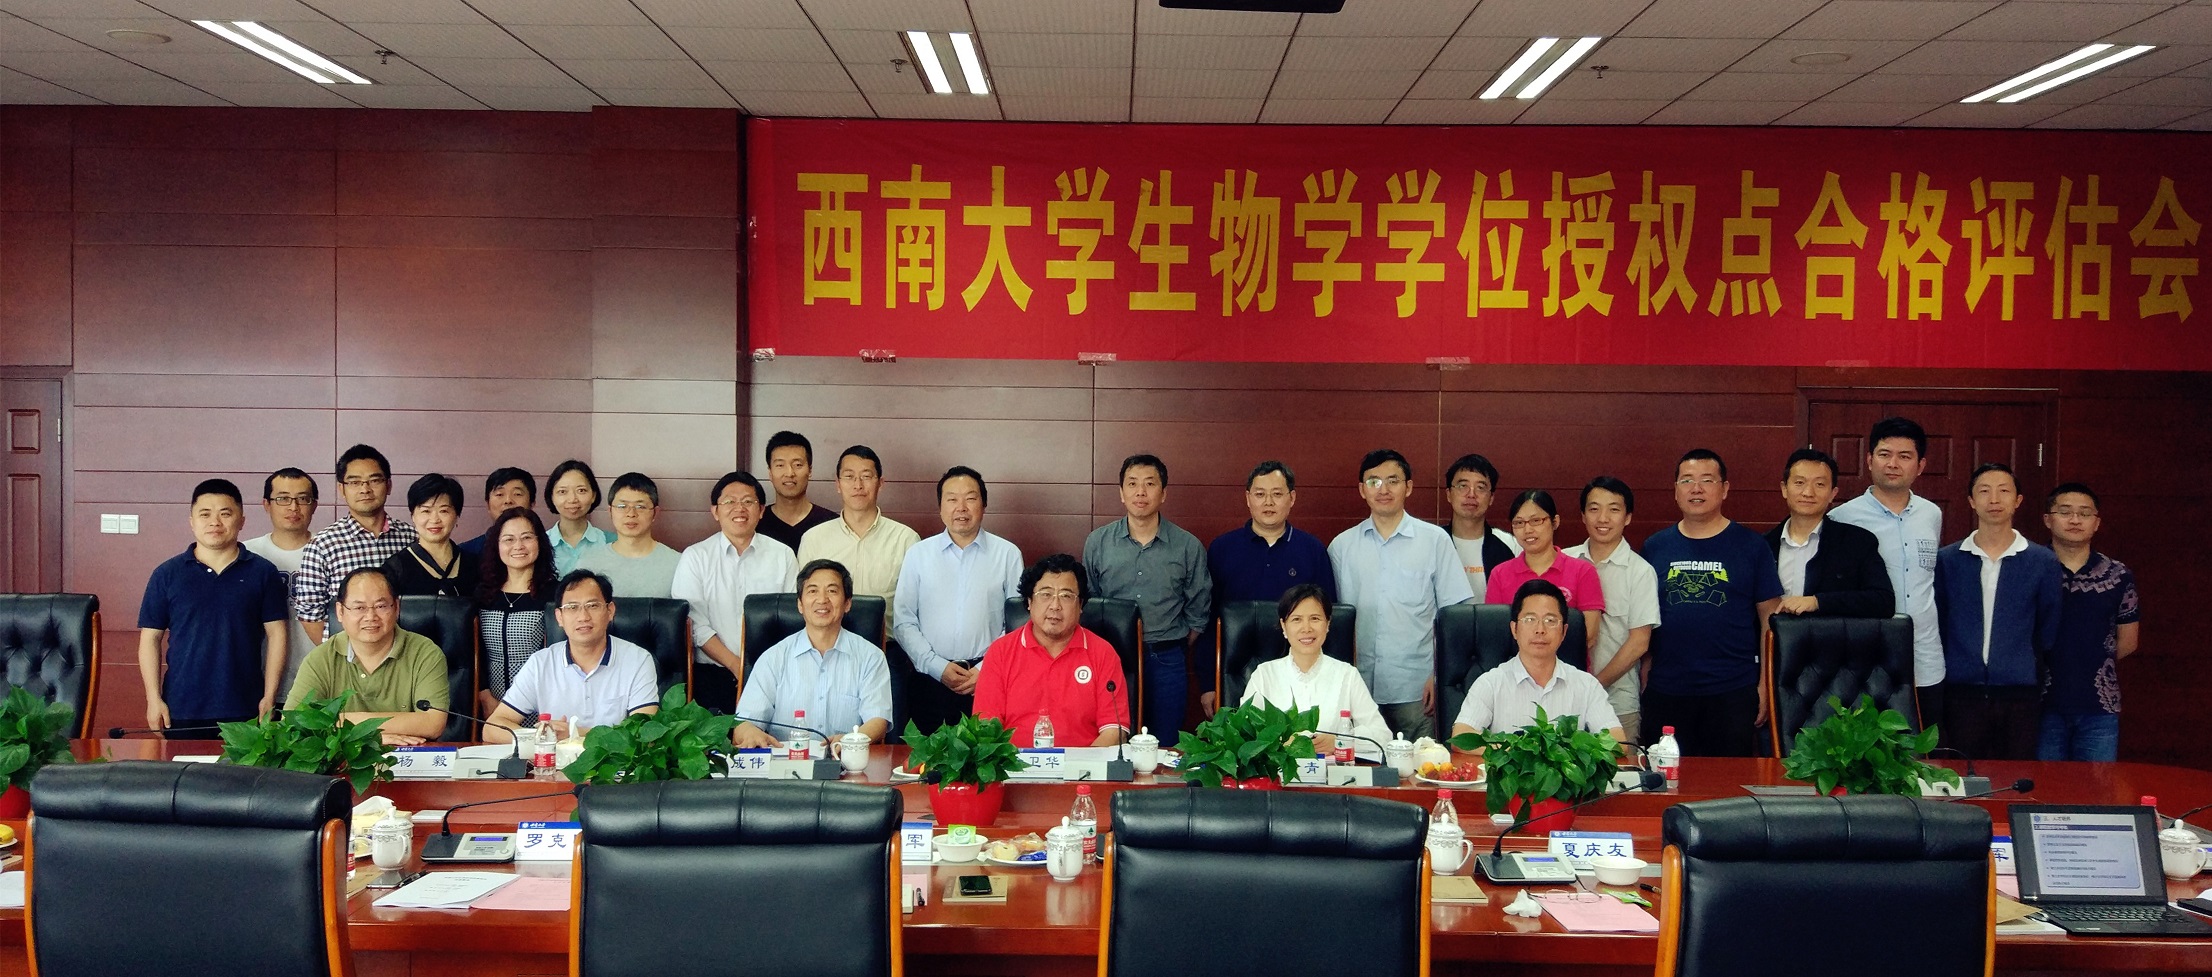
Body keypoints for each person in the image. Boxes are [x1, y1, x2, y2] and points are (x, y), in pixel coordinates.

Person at [1639, 449, 1783, 757]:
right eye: (1687, 480)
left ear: (1725, 488)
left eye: (1707, 480)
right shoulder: (1655, 547)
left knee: (1728, 782)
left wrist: (1765, 686)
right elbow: (1645, 619)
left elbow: (1770, 621)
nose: (1696, 489)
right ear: (1675, 490)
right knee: (1665, 779)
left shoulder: (1752, 546)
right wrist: (1645, 673)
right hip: (1667, 689)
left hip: (1732, 690)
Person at [1329, 449, 1475, 741]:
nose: (1383, 489)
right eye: (1374, 482)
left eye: (1392, 481)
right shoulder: (1341, 547)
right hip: (1356, 688)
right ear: (1362, 490)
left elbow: (1454, 617)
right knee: (1360, 765)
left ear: (1408, 487)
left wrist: (1439, 675)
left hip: (1416, 688)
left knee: (1420, 763)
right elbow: (1331, 623)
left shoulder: (1435, 541)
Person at [137, 479, 290, 738]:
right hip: (182, 706)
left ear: (241, 520)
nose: (215, 522)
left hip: (246, 706)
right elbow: (150, 638)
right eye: (205, 514)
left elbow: (277, 635)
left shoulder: (263, 572)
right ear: (192, 521)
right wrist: (153, 698)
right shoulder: (167, 574)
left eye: (225, 514)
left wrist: (269, 696)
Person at [1935, 463, 2062, 761]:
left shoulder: (2042, 561)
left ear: (2018, 500)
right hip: (1961, 688)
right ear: (1971, 501)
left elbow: (2048, 625)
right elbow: (1940, 619)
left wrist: (2024, 662)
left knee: (2017, 773)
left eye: (2004, 491)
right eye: (1984, 491)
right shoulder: (1948, 559)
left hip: (2019, 689)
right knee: (1964, 773)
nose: (1994, 499)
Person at [1829, 417, 1947, 728]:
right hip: (1866, 657)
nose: (1893, 464)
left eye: (1904, 456)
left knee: (1924, 746)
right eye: (1884, 454)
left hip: (1925, 656)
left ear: (1920, 466)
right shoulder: (1842, 518)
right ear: (1869, 460)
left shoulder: (1932, 514)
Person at [1084, 453, 1212, 736]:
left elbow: (1198, 609)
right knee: (1115, 737)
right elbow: (1091, 601)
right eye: (1132, 483)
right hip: (1112, 656)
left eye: (1150, 484)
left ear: (1163, 493)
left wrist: (1173, 643)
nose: (1140, 492)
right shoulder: (1098, 542)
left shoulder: (1187, 546)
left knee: (1165, 740)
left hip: (1166, 657)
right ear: (1121, 493)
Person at [892, 466, 1023, 733]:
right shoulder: (918, 554)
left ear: (984, 505)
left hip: (988, 680)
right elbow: (904, 621)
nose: (961, 508)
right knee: (928, 757)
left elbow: (1016, 625)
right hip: (929, 680)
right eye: (952, 499)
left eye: (970, 498)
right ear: (940, 507)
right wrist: (937, 667)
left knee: (987, 755)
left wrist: (986, 670)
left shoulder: (1007, 555)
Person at [1202, 460, 1337, 717]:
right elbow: (1209, 622)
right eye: (1260, 494)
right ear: (1248, 498)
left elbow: (1328, 622)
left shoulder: (1312, 550)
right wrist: (1209, 684)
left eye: (1277, 494)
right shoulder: (1222, 549)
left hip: (1300, 677)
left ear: (1292, 498)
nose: (1268, 502)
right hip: (1235, 678)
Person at [972, 553, 1132, 747]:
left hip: (1083, 764)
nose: (1055, 606)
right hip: (1015, 763)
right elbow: (986, 728)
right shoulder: (1000, 652)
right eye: (1046, 594)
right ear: (1029, 602)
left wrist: (1084, 764)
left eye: (1066, 596)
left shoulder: (1102, 653)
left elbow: (1114, 730)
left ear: (1080, 605)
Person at [671, 472, 798, 712]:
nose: (739, 508)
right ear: (715, 511)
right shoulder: (695, 557)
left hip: (773, 674)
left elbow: (792, 620)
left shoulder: (783, 555)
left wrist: (761, 670)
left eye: (748, 501)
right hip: (712, 676)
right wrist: (736, 665)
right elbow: (694, 625)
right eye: (729, 501)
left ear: (761, 510)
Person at [732, 560, 893, 749]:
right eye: (813, 591)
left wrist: (850, 741)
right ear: (800, 604)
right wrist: (749, 733)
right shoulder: (773, 658)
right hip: (786, 762)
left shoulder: (870, 657)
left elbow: (878, 720)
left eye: (832, 591)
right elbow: (742, 724)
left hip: (845, 760)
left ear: (847, 603)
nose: (822, 599)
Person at [483, 570, 659, 742]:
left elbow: (646, 736)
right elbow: (492, 728)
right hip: (554, 760)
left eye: (592, 606)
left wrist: (574, 733)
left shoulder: (638, 660)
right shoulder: (541, 663)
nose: (583, 617)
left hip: (613, 761)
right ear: (559, 617)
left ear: (610, 611)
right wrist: (542, 736)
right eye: (572, 607)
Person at [284, 567, 449, 746]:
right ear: (340, 611)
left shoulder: (425, 653)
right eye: (359, 608)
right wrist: (370, 736)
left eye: (381, 606)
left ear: (396, 607)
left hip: (409, 757)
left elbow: (433, 723)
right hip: (344, 759)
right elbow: (293, 724)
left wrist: (340, 722)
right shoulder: (320, 659)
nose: (370, 617)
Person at [1451, 580, 1627, 742]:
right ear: (1514, 629)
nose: (1540, 629)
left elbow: (1617, 742)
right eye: (1530, 620)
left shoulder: (1586, 685)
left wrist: (1565, 753)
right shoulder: (1490, 683)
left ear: (1564, 631)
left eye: (1550, 620)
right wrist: (1517, 752)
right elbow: (1462, 737)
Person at [2037, 482, 2139, 762]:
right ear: (2048, 519)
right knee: (2043, 784)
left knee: (2097, 785)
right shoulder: (2030, 567)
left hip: (2099, 707)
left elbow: (2128, 641)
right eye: (2065, 512)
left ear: (2096, 523)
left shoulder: (2118, 575)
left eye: (2084, 513)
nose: (2075, 520)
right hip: (2039, 703)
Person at [1562, 476, 1660, 745]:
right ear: (1583, 516)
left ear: (1627, 517)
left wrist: (1592, 686)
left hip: (1617, 702)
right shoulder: (1563, 560)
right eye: (1594, 509)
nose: (1603, 518)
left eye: (1614, 509)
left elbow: (1639, 642)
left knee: (1619, 771)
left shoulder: (1640, 572)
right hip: (1560, 701)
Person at [1240, 583, 1389, 759]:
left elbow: (1382, 735)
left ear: (1328, 624)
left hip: (1334, 774)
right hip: (1278, 774)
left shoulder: (1347, 675)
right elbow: (1243, 736)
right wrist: (1278, 743)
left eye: (1315, 619)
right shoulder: (1264, 675)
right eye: (1296, 619)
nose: (1307, 628)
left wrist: (1339, 741)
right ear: (1283, 626)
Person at [292, 444, 417, 645]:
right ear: (341, 488)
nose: (365, 489)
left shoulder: (412, 538)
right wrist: (345, 654)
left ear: (389, 485)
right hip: (348, 658)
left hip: (408, 654)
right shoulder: (322, 545)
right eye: (354, 482)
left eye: (374, 480)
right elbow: (310, 614)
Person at [1763, 448, 1893, 618]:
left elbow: (1883, 601)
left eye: (1820, 484)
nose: (1808, 493)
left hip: (1831, 635)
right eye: (1799, 483)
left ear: (1833, 493)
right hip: (1775, 634)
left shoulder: (1858, 542)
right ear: (1784, 489)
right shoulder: (1762, 545)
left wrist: (1819, 602)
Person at [1483, 489, 1604, 663]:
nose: (1528, 530)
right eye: (1519, 523)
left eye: (1536, 521)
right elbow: (1495, 633)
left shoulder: (1583, 571)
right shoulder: (1500, 574)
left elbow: (1588, 635)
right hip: (1514, 671)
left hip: (1568, 669)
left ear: (1555, 522)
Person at [797, 445, 920, 601]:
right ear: (838, 484)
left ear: (880, 484)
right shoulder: (813, 539)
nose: (858, 485)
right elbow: (803, 600)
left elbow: (914, 603)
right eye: (849, 476)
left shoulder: (905, 540)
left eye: (866, 476)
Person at [241, 467, 318, 701]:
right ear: (266, 504)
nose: (293, 507)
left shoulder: (330, 551)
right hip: (257, 684)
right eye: (283, 499)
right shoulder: (246, 554)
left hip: (319, 683)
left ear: (314, 505)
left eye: (303, 499)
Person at [477, 507, 558, 714]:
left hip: (541, 703)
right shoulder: (483, 594)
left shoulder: (555, 594)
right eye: (509, 539)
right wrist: (485, 696)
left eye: (527, 537)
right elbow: (476, 653)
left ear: (540, 542)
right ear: (497, 545)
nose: (518, 546)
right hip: (492, 703)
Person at [573, 472, 682, 600]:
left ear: (655, 513)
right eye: (622, 506)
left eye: (640, 506)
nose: (631, 513)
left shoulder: (678, 564)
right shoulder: (588, 564)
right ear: (610, 511)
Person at [381, 473, 479, 598]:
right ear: (413, 516)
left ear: (456, 516)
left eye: (443, 511)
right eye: (426, 511)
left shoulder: (474, 564)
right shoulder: (396, 568)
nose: (434, 519)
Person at [1444, 453, 1521, 599]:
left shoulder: (1511, 544)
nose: (1471, 494)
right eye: (1463, 486)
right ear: (1449, 494)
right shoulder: (1434, 541)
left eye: (1480, 487)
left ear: (1491, 498)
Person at [759, 430, 838, 551]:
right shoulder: (757, 523)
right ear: (770, 473)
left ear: (810, 471)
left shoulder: (831, 523)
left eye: (797, 465)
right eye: (780, 465)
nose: (789, 473)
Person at [544, 459, 609, 577]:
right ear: (552, 497)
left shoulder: (609, 542)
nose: (572, 499)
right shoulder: (539, 543)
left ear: (593, 495)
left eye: (581, 490)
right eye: (562, 491)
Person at [457, 467, 536, 560]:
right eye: (500, 494)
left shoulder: (546, 547)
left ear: (532, 503)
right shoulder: (466, 553)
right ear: (488, 504)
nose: (508, 500)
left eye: (517, 494)